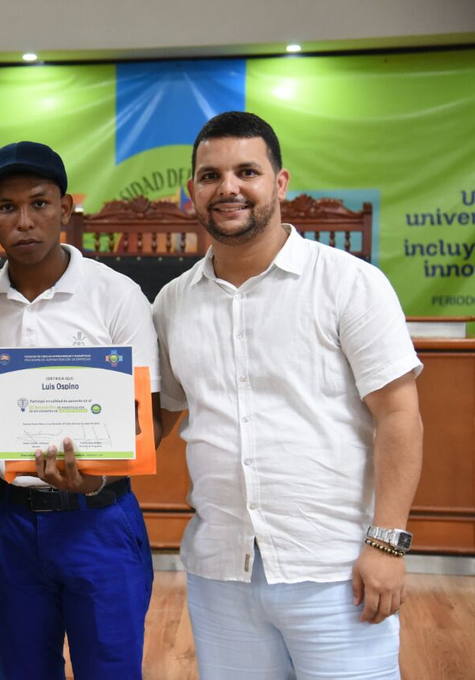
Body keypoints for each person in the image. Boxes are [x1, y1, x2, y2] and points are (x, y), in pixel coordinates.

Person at [153, 111, 423, 679]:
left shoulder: (350, 283)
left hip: (337, 571)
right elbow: (160, 413)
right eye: (209, 176)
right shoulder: (173, 303)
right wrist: (81, 454)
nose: (227, 188)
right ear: (192, 192)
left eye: (246, 171)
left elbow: (400, 416)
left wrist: (388, 545)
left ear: (279, 183)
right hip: (220, 571)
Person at [0, 141, 161, 680]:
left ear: (66, 208)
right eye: (6, 207)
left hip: (98, 520)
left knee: (112, 670)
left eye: (39, 203)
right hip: (10, 519)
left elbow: (143, 418)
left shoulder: (117, 294)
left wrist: (95, 481)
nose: (25, 221)